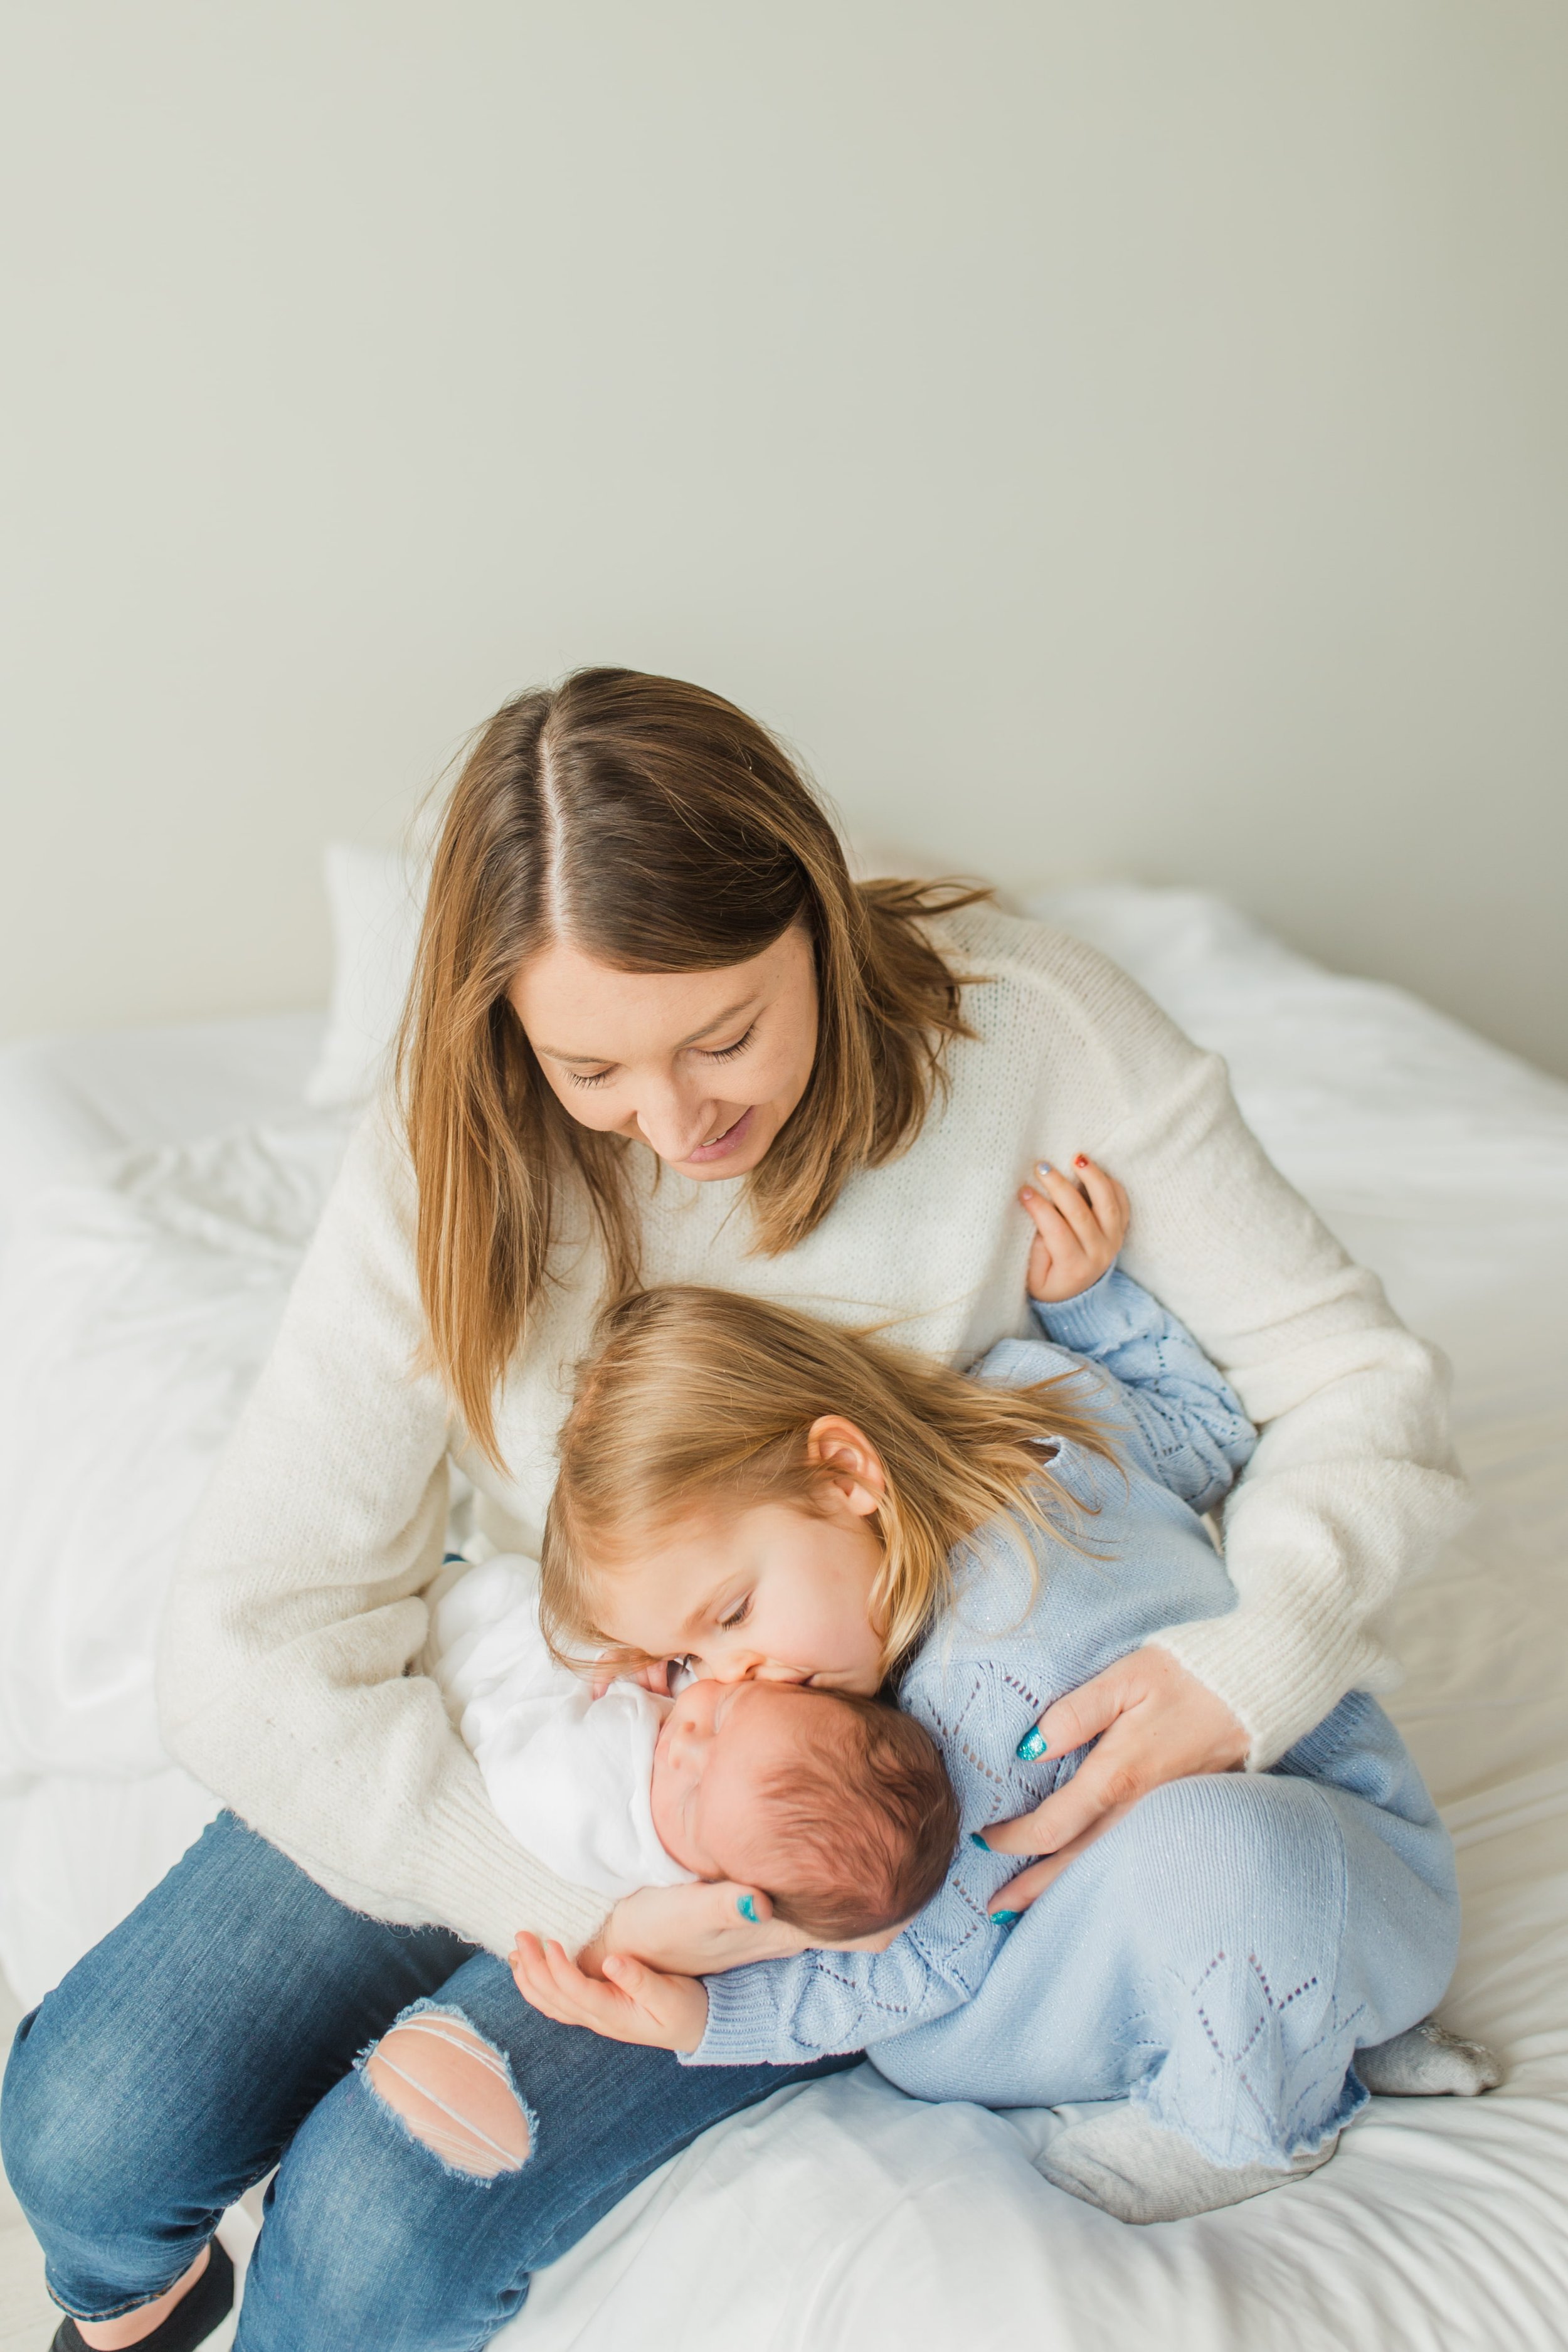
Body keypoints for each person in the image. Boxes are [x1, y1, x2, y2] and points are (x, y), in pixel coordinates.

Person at [2, 668, 1464, 2348]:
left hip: (831, 1804)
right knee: (83, 2137)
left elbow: (1352, 1379)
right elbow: (250, 1633)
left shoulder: (1030, 1028)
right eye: (593, 1070)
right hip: (562, 1723)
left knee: (374, 2224)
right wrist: (565, 1902)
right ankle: (140, 2309)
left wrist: (1254, 1651)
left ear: (818, 921)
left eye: (722, 1034)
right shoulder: (464, 1155)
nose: (677, 1121)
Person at [511, 1167, 1477, 2223]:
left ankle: (1242, 2124)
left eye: (732, 1614)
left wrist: (707, 2023)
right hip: (1328, 1903)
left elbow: (909, 1964)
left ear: (846, 1474)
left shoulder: (975, 1703)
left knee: (1218, 1850)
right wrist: (1089, 1307)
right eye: (688, 1660)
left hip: (1300, 1873)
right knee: (1218, 1860)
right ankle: (1298, 2032)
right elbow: (1206, 1439)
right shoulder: (1029, 1406)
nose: (737, 1681)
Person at [432, 1550, 958, 1934]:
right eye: (725, 1714)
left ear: (721, 1884)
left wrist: (602, 1654)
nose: (682, 1744)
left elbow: (516, 1747)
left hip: (456, 1650)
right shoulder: (727, 1791)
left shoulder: (606, 1811)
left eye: (690, 1801)